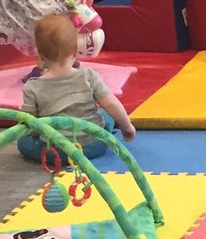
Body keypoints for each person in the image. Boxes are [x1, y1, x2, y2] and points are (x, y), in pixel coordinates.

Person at [17, 14, 136, 163]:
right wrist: (127, 127)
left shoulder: (32, 87)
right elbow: (112, 104)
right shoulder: (88, 76)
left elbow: (31, 124)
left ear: (39, 55)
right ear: (75, 50)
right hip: (93, 144)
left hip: (56, 150)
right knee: (106, 114)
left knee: (23, 142)